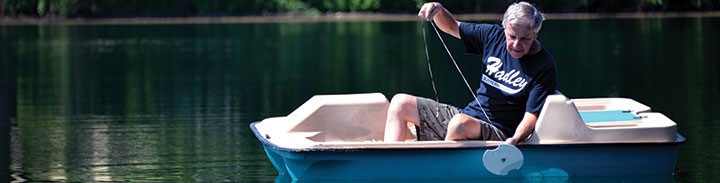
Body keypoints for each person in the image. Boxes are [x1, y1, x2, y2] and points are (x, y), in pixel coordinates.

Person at [383, 1, 557, 146]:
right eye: (512, 37)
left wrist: (515, 140)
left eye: (524, 39)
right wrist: (439, 10)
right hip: (467, 117)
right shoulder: (492, 36)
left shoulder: (544, 66)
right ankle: (390, 165)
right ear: (504, 29)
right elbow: (452, 27)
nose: (517, 44)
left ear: (535, 34)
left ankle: (442, 169)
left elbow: (531, 116)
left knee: (459, 124)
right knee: (400, 103)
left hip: (500, 132)